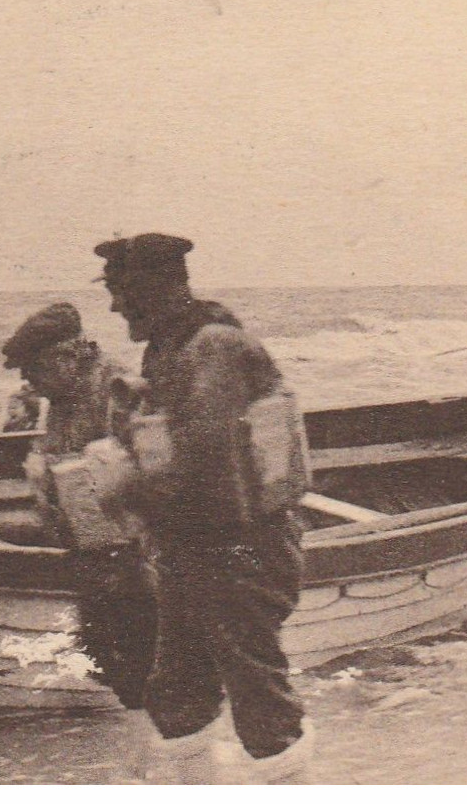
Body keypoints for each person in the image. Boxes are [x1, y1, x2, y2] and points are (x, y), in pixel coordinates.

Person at [93, 233, 311, 784]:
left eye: (121, 290)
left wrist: (125, 484)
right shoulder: (170, 348)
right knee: (177, 699)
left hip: (239, 550)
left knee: (261, 706)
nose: (115, 305)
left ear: (153, 288)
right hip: (193, 550)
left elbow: (209, 468)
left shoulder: (212, 346)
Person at [1, 301, 155, 773]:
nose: (32, 383)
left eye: (36, 370)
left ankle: (154, 761)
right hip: (90, 551)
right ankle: (145, 752)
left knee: (144, 655)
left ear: (67, 358)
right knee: (104, 652)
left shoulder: (118, 390)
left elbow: (155, 470)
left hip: (133, 553)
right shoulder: (61, 402)